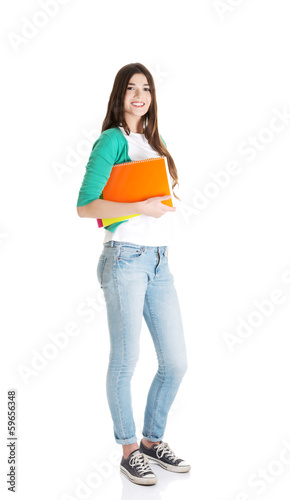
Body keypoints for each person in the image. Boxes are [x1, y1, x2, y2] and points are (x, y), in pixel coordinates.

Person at [76, 63, 190, 486]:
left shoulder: (150, 141)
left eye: (146, 88)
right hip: (124, 259)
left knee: (175, 362)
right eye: (131, 88)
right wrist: (139, 208)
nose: (139, 95)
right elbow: (86, 207)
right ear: (119, 95)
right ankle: (128, 450)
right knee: (126, 361)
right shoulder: (111, 140)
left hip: (160, 262)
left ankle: (151, 441)